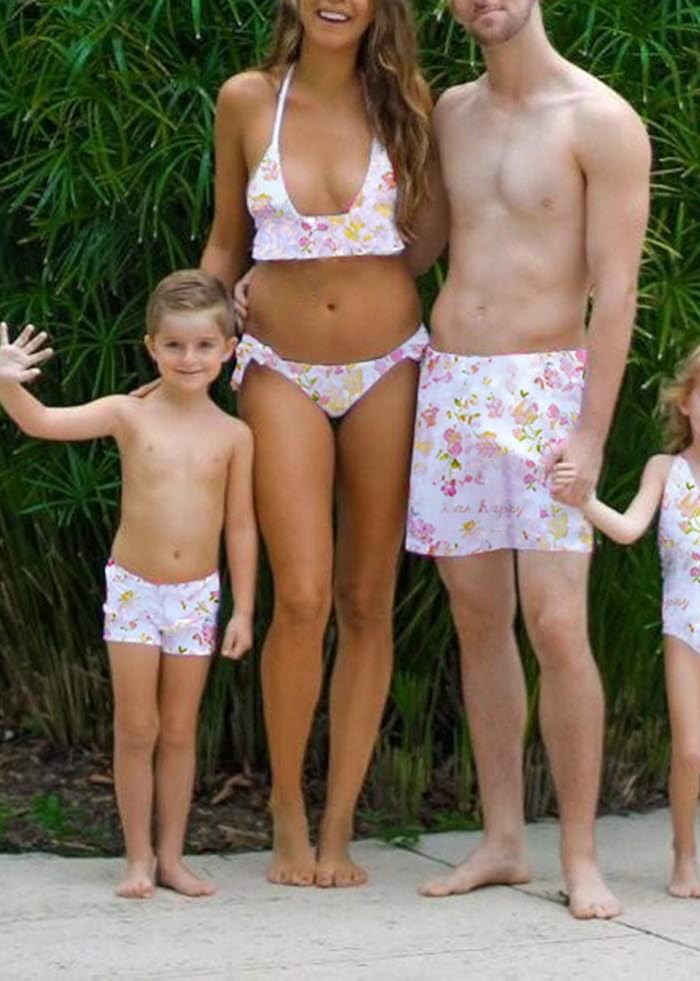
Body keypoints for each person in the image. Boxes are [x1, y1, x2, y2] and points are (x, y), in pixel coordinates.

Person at [404, 0, 650, 919]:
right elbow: (419, 246)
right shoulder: (448, 112)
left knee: (556, 625)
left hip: (548, 391)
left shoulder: (600, 120)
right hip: (451, 384)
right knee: (477, 620)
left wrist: (588, 434)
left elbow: (617, 292)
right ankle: (503, 840)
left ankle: (579, 855)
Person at [200, 0, 433, 887]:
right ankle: (286, 810)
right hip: (278, 366)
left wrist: (361, 272)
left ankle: (340, 824)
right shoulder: (247, 99)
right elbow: (227, 239)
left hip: (389, 364)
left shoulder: (409, 102)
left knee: (366, 598)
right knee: (299, 597)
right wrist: (189, 339)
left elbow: (430, 238)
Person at [0, 270, 256, 900]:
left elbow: (242, 527)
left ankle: (172, 857)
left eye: (202, 346)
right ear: (150, 347)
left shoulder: (234, 434)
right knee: (136, 727)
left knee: (181, 729)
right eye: (174, 345)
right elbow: (43, 422)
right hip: (136, 590)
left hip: (198, 597)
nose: (188, 359)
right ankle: (136, 858)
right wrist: (6, 384)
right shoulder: (127, 415)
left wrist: (243, 608)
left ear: (228, 350)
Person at [556, 330, 700, 901]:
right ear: (685, 401)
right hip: (685, 627)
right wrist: (583, 499)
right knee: (693, 750)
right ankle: (682, 854)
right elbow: (632, 529)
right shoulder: (666, 469)